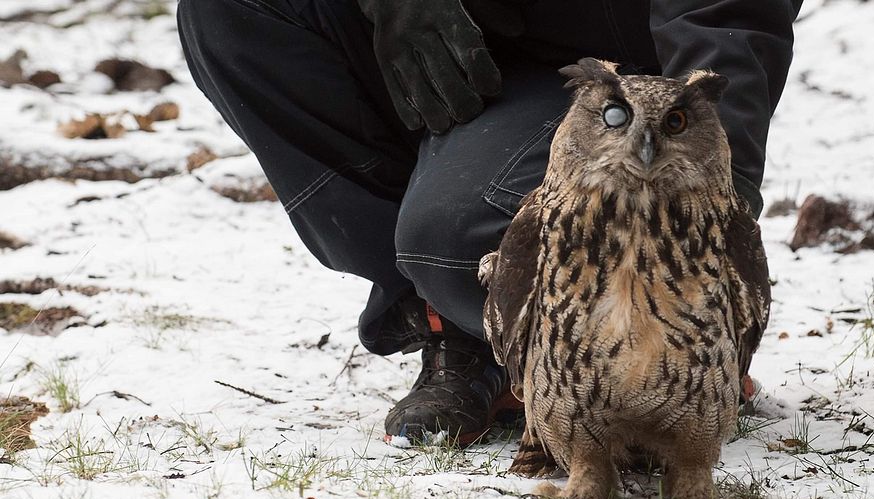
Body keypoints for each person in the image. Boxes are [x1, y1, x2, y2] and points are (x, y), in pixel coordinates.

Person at [177, 0, 801, 444]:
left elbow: (728, 16)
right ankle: (457, 328)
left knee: (450, 246)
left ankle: (652, 345)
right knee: (232, 10)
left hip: (625, 97)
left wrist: (715, 218)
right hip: (443, 41)